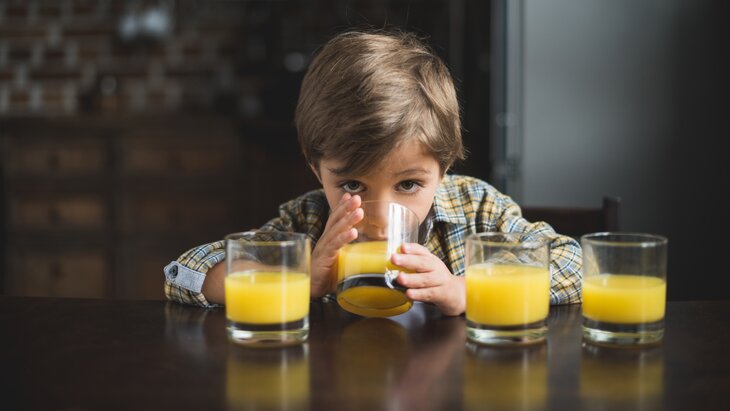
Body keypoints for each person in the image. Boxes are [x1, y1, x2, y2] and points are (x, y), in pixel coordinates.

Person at [163, 30, 582, 315]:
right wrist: (299, 278)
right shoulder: (308, 223)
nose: (380, 219)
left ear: (444, 167)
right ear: (316, 169)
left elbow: (573, 263)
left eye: (408, 184)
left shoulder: (477, 209)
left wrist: (467, 289)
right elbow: (186, 273)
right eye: (352, 185)